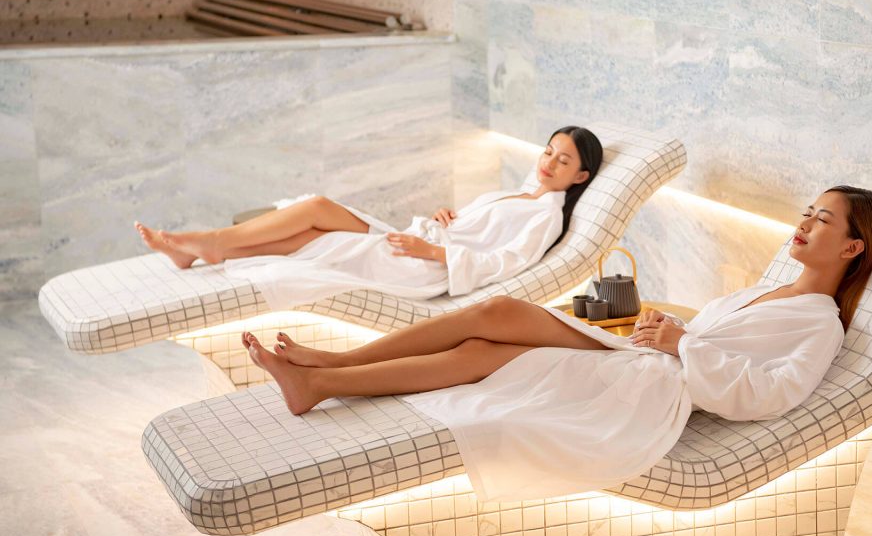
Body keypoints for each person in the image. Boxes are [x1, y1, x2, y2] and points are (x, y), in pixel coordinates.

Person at [242, 185, 872, 502]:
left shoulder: (820, 321)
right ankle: (328, 368)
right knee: (492, 324)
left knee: (485, 343)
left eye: (822, 218)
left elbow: (771, 393)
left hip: (650, 392)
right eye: (806, 211)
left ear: (851, 246)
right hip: (644, 360)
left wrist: (682, 347)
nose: (804, 222)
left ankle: (325, 376)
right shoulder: (764, 291)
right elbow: (701, 335)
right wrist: (666, 330)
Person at [134, 126, 603, 310]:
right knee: (316, 225)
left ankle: (208, 244)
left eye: (562, 162)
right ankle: (205, 249)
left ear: (580, 175)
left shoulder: (544, 217)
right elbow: (480, 229)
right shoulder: (521, 193)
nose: (547, 162)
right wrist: (448, 218)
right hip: (421, 244)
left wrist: (435, 250)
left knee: (318, 220)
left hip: (423, 265)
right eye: (548, 151)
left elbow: (505, 263)